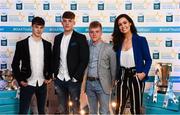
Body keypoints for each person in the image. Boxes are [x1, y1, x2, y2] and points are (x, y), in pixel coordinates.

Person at [112, 14, 152, 114]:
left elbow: (148, 60)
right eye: (120, 24)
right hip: (122, 76)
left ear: (130, 23)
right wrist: (116, 78)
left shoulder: (140, 40)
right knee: (119, 107)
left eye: (125, 23)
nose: (123, 26)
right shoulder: (118, 42)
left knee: (136, 108)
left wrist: (143, 74)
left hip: (136, 75)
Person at [11, 16, 52, 114]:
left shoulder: (47, 45)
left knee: (42, 111)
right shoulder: (21, 44)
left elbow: (50, 63)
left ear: (43, 28)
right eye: (36, 27)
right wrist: (20, 80)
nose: (38, 30)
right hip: (27, 83)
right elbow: (15, 64)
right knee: (23, 111)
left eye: (41, 27)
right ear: (32, 27)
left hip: (42, 83)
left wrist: (50, 76)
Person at [52, 11, 89, 114]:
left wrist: (76, 77)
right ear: (61, 23)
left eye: (70, 21)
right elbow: (55, 57)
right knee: (62, 109)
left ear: (74, 23)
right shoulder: (57, 38)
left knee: (76, 109)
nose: (67, 23)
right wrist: (54, 74)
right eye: (65, 21)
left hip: (73, 80)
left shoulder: (80, 38)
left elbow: (84, 59)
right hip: (59, 79)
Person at [82, 21, 116, 114]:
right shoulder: (86, 47)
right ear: (89, 33)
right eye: (92, 32)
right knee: (92, 111)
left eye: (97, 31)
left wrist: (112, 84)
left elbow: (113, 68)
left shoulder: (109, 48)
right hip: (89, 83)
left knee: (104, 111)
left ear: (101, 32)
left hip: (103, 84)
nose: (94, 34)